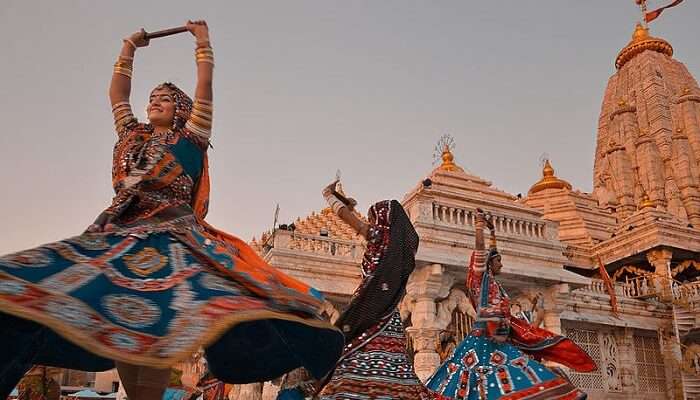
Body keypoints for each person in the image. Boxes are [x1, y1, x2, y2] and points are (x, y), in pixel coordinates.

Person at [0, 21, 343, 400]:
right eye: (152, 97)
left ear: (181, 110)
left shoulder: (191, 137)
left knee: (158, 327)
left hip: (174, 241)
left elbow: (205, 88)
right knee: (29, 284)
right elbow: (117, 94)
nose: (154, 102)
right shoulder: (132, 135)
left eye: (164, 98)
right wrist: (128, 48)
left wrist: (203, 44)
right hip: (118, 236)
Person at [426, 209, 595, 399]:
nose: (502, 265)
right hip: (484, 341)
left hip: (498, 340)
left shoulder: (494, 284)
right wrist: (479, 227)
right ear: (489, 263)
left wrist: (493, 233)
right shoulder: (480, 281)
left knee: (524, 377)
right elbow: (480, 252)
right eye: (499, 261)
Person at [315, 182, 432, 400]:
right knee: (393, 357)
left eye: (374, 218)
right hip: (389, 315)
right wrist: (346, 202)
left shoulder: (376, 237)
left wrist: (329, 196)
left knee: (355, 353)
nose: (371, 223)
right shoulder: (400, 252)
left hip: (367, 308)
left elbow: (345, 217)